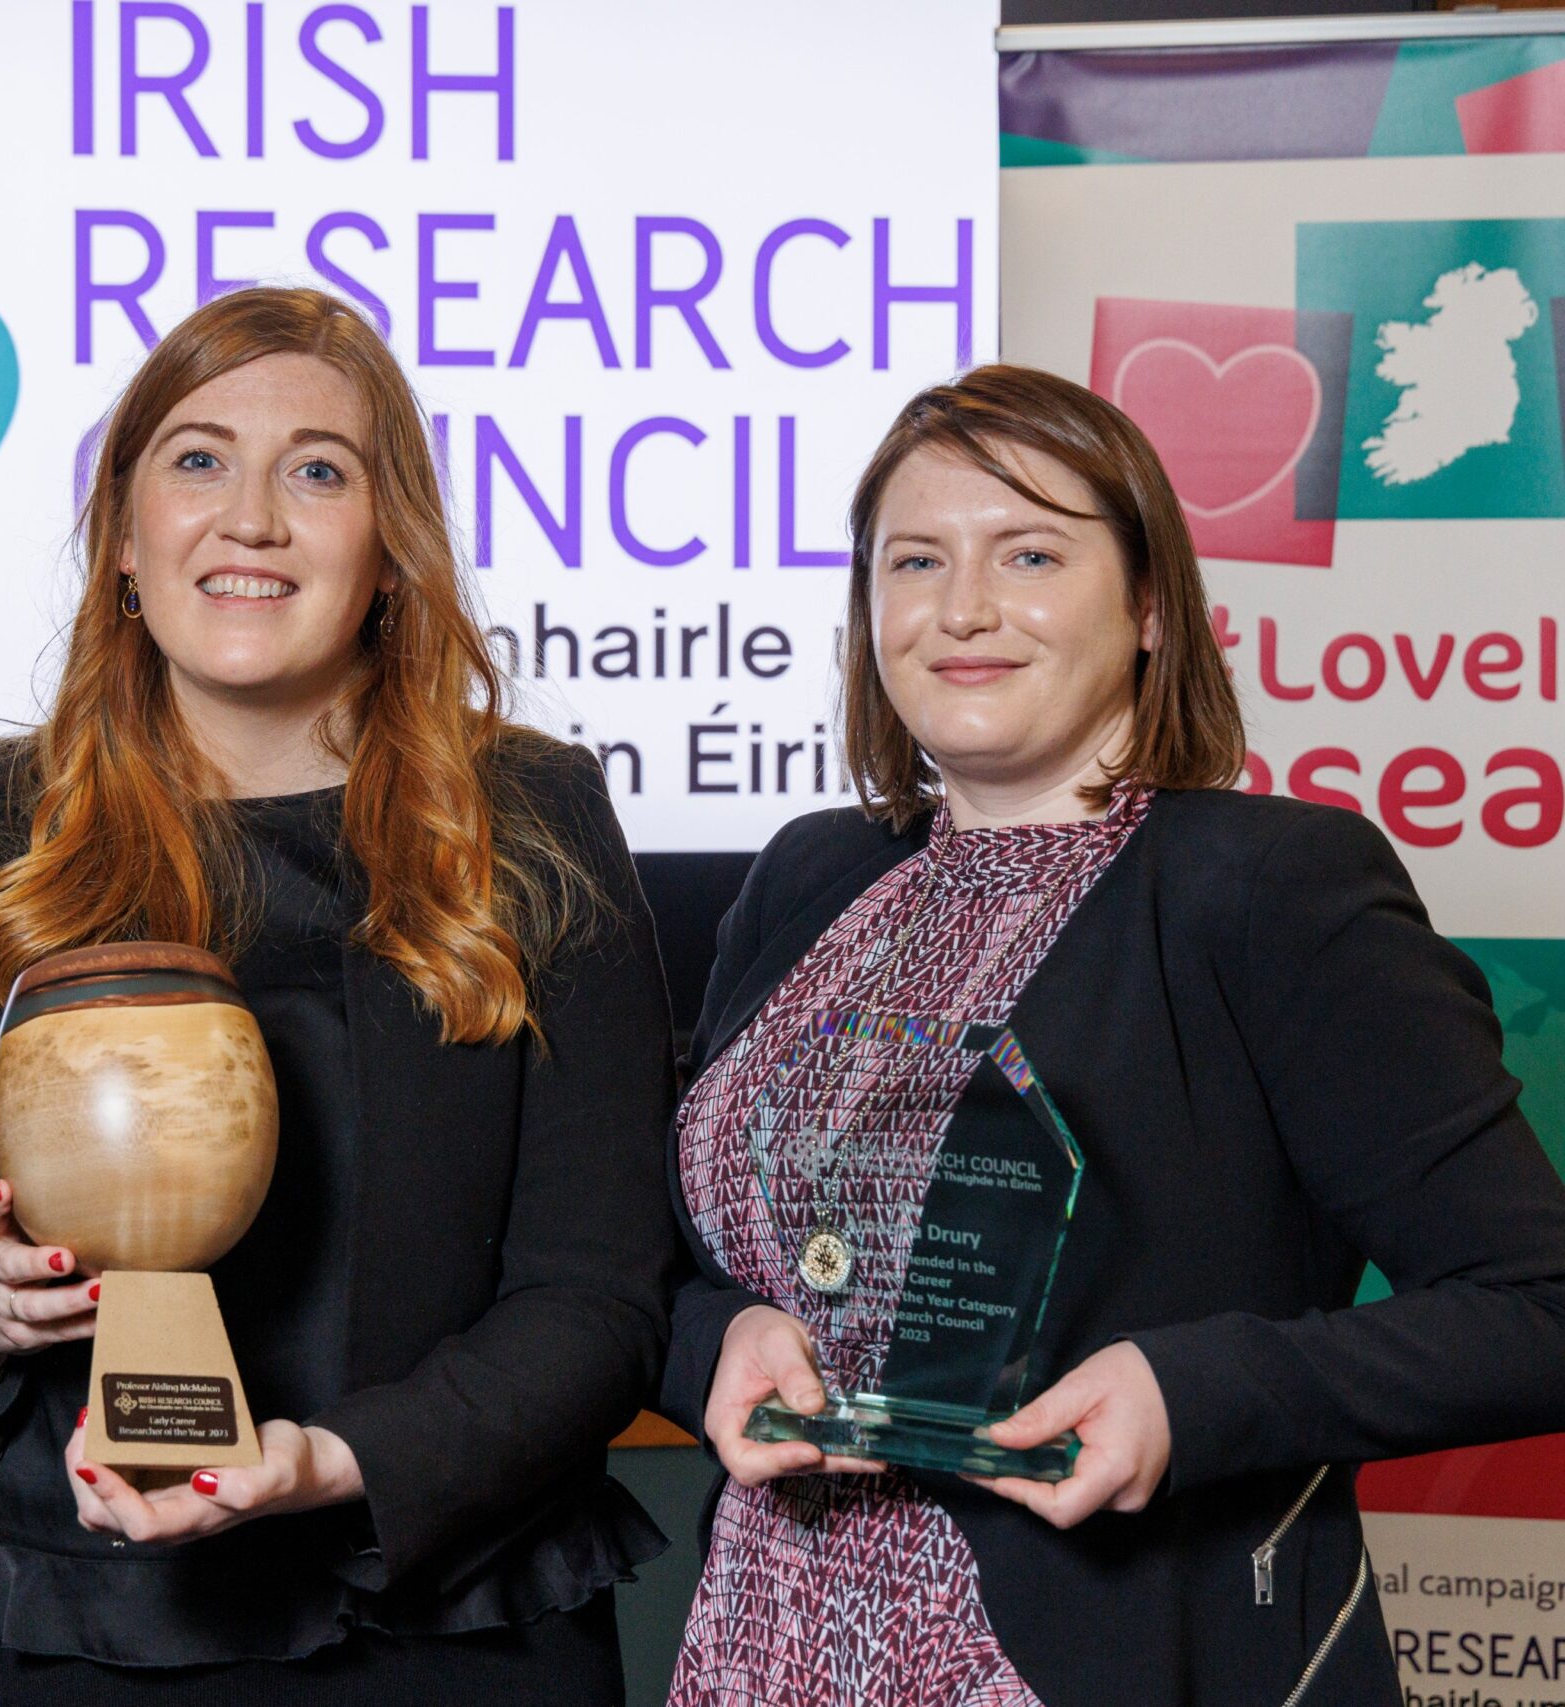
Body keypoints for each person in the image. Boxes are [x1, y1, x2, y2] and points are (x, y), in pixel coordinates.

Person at [0, 286, 678, 1703]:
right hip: (64, 1631)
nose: (250, 517)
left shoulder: (533, 820)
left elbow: (599, 1299)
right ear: (125, 542)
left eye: (318, 471)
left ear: (389, 551)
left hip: (449, 1635)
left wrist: (333, 1463)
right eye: (197, 460)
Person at [658, 363, 1565, 1705]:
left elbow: (1536, 1309)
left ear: (1149, 607)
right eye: (916, 561)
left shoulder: (1271, 889)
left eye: (1029, 553)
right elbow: (652, 1262)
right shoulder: (808, 876)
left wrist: (1188, 1393)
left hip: (1120, 1647)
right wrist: (718, 1343)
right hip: (765, 1647)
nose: (962, 608)